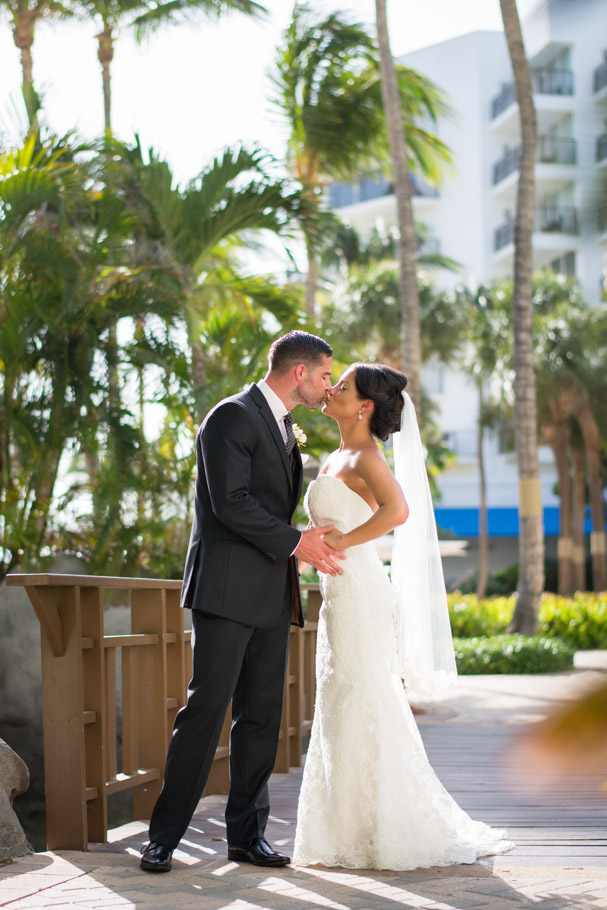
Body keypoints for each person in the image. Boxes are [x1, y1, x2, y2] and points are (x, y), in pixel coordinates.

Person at [293, 362, 514, 870]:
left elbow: (397, 511)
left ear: (365, 406)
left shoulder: (367, 456)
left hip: (362, 591)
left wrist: (344, 542)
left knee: (363, 697)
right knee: (339, 698)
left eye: (342, 386)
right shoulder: (336, 455)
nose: (330, 389)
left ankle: (386, 827)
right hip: (338, 595)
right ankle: (344, 830)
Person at [141, 330, 345, 873]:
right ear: (299, 371)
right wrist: (298, 541)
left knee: (261, 718)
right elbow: (229, 503)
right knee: (205, 712)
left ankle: (246, 838)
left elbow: (269, 508)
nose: (328, 386)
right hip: (227, 591)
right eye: (325, 374)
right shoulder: (230, 416)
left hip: (273, 593)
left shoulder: (283, 428)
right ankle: (163, 837)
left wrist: (299, 539)